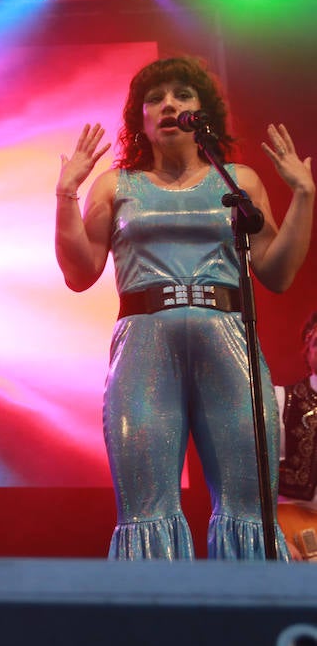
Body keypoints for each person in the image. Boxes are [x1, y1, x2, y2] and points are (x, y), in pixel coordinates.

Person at [55, 55, 313, 559]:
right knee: (145, 510)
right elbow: (79, 272)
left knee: (248, 508)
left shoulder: (238, 181)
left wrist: (303, 195)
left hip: (229, 341)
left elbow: (278, 273)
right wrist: (67, 194)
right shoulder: (116, 185)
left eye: (182, 95)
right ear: (142, 119)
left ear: (202, 112)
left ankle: (248, 630)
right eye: (156, 97)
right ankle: (152, 633)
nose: (169, 104)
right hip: (145, 346)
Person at [276, 311, 317, 560]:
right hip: (296, 535)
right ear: (308, 351)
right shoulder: (282, 400)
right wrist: (276, 536)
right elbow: (252, 480)